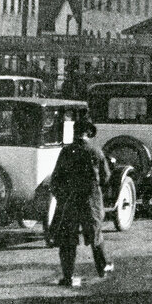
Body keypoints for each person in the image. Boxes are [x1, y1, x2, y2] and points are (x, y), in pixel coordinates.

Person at [49, 120, 113, 287]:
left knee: (67, 240)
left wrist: (62, 197)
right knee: (95, 236)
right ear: (88, 134)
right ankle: (102, 269)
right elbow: (106, 177)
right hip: (90, 201)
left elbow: (56, 178)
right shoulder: (96, 151)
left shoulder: (66, 151)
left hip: (70, 201)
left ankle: (67, 277)